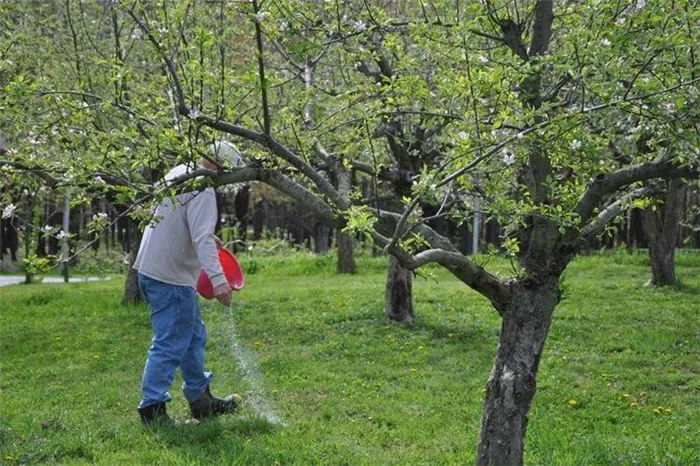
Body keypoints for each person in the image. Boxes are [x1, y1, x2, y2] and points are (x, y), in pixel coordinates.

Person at [133, 141, 244, 425]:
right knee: (170, 342)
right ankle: (152, 410)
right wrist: (219, 280)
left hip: (155, 269)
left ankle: (200, 400)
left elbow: (183, 224)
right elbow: (201, 238)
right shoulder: (203, 187)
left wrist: (207, 238)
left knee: (193, 337)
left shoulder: (180, 173)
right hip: (170, 277)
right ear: (221, 168)